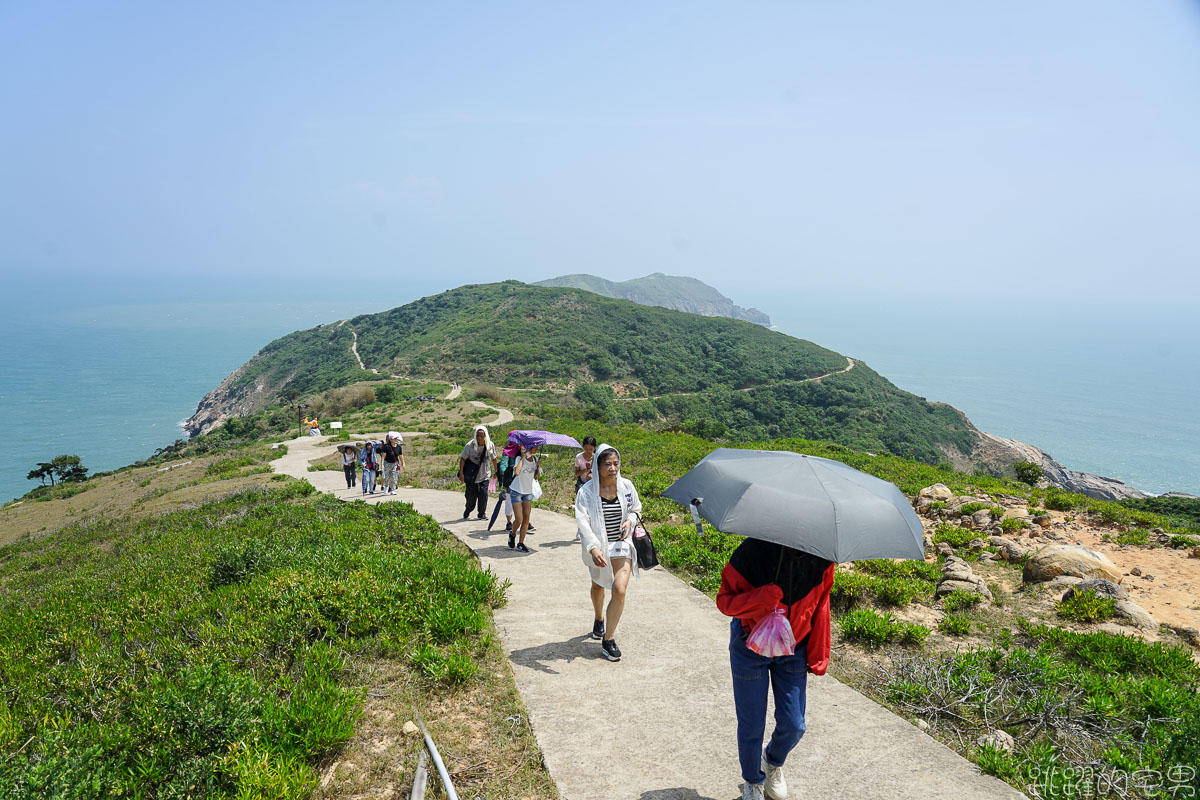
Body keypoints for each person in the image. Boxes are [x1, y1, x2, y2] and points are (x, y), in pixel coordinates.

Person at [716, 538, 835, 800]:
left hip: (794, 647)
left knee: (795, 724)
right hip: (749, 643)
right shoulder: (751, 551)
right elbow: (725, 602)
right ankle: (753, 779)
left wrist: (818, 654)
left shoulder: (823, 558)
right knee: (751, 723)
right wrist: (762, 598)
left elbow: (822, 606)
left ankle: (772, 760)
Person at [574, 445, 642, 662]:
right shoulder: (587, 492)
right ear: (598, 466)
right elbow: (582, 521)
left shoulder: (627, 486)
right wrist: (593, 547)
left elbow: (636, 508)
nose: (613, 468)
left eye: (615, 463)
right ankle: (598, 618)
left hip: (622, 544)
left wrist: (629, 521)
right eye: (607, 464)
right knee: (598, 584)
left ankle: (609, 639)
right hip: (599, 546)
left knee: (619, 589)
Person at [458, 425, 498, 520]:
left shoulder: (490, 445)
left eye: (482, 436)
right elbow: (463, 459)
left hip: (484, 474)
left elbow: (494, 459)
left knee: (484, 494)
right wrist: (461, 474)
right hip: (471, 475)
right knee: (471, 496)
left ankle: (481, 514)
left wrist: (497, 471)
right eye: (478, 435)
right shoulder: (469, 446)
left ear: (486, 436)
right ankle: (468, 509)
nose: (480, 438)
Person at [508, 444, 541, 552]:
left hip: (528, 492)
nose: (537, 448)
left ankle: (521, 543)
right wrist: (522, 457)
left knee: (526, 518)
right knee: (519, 519)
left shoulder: (535, 459)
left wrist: (538, 467)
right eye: (535, 446)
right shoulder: (519, 458)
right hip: (517, 490)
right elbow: (516, 472)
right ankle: (512, 534)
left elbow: (535, 477)